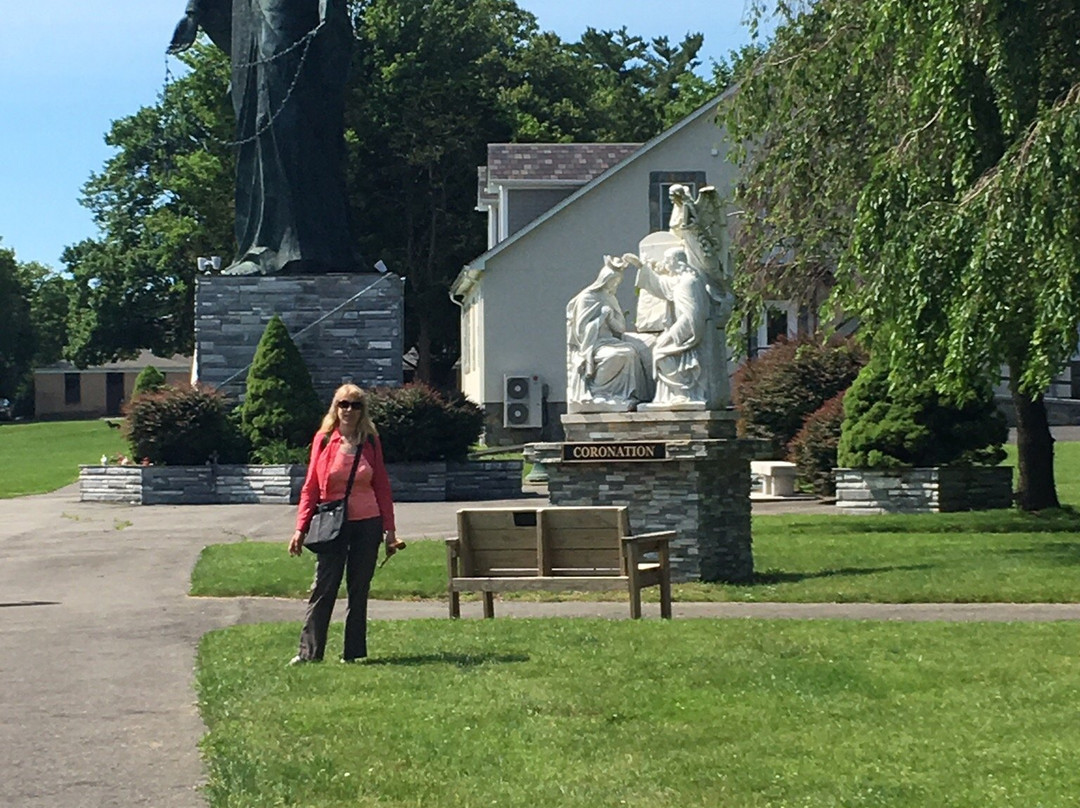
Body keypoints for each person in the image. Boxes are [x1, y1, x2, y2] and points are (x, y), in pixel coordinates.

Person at [168, 0, 358, 275]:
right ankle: (263, 247)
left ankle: (302, 248)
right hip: (247, 15)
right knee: (257, 131)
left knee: (288, 122)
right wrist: (194, 11)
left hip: (290, 13)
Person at [288, 384, 403, 664]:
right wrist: (300, 528)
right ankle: (309, 653)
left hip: (367, 522)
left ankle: (353, 653)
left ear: (363, 410)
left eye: (355, 405)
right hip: (331, 523)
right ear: (335, 407)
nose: (349, 410)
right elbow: (311, 487)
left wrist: (390, 530)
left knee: (358, 588)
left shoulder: (370, 441)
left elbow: (382, 486)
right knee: (324, 587)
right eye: (343, 404)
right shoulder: (325, 439)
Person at [566, 255, 652, 410]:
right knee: (617, 355)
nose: (615, 285)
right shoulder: (587, 298)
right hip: (593, 343)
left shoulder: (610, 298)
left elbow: (620, 328)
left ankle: (623, 395)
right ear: (605, 279)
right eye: (614, 281)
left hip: (610, 341)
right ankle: (600, 392)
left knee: (631, 352)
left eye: (618, 282)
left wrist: (611, 319)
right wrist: (601, 319)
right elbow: (581, 331)